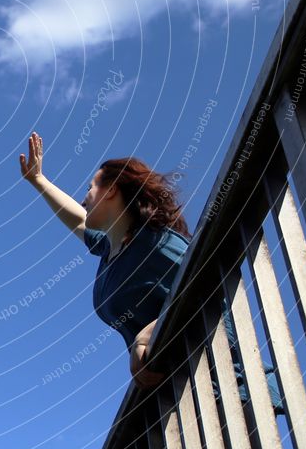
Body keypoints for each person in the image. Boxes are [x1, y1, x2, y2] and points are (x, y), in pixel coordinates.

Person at [19, 132, 285, 413]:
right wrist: (39, 180)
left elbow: (207, 283)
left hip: (232, 391)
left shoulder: (156, 243)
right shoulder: (112, 250)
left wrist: (149, 333)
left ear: (111, 191)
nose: (84, 199)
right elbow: (78, 220)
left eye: (90, 188)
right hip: (181, 404)